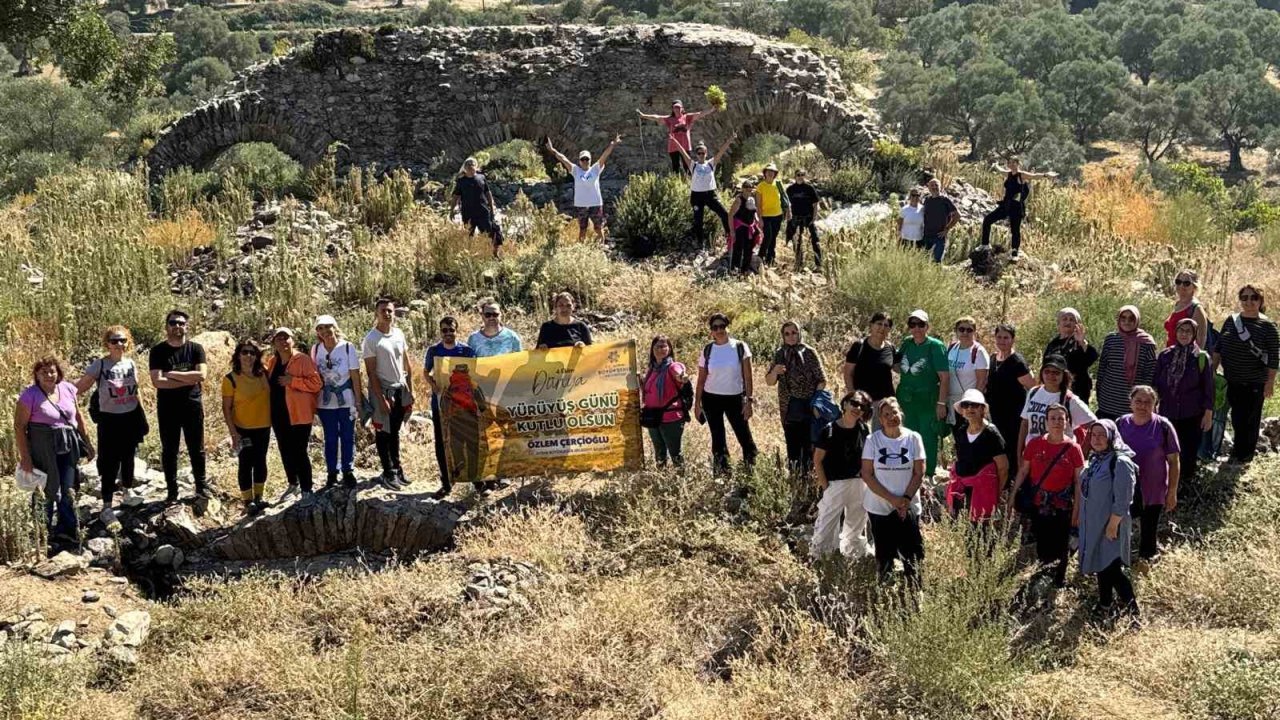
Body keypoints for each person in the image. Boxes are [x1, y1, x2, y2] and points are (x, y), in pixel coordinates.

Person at [14, 357, 93, 548]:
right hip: (43, 444)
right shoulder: (29, 395)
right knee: (46, 488)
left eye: (52, 371)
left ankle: (68, 529)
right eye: (44, 372)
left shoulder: (67, 388)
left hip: (68, 443)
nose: (49, 375)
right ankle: (42, 532)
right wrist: (25, 458)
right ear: (37, 375)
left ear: (58, 372)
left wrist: (88, 443)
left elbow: (78, 417)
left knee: (68, 486)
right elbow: (19, 427)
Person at [75, 326, 146, 524]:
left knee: (129, 456)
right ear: (107, 343)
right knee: (109, 461)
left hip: (130, 417)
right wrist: (56, 392)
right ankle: (107, 505)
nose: (119, 344)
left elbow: (136, 390)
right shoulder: (100, 365)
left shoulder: (131, 363)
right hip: (109, 420)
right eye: (114, 341)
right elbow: (81, 386)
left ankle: (127, 492)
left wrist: (142, 413)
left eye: (122, 340)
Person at [1010, 404, 1085, 588]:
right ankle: (1043, 574)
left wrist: (1077, 509)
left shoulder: (1074, 448)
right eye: (1053, 418)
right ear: (1046, 422)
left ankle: (1059, 579)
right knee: (1042, 541)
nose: (1057, 422)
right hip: (1039, 503)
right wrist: (1012, 495)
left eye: (1061, 418)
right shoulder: (1035, 444)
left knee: (1061, 542)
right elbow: (1024, 471)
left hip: (1063, 504)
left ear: (1067, 422)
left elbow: (1079, 482)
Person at [1078, 420, 1140, 619]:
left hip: (1111, 524)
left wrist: (1113, 525)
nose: (1096, 439)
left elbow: (1123, 498)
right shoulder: (1096, 458)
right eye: (1094, 435)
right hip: (1094, 522)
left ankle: (1133, 611)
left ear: (1112, 436)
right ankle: (1105, 605)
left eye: (1102, 435)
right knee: (1101, 565)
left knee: (1112, 568)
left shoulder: (1120, 462)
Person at [861, 397, 927, 585]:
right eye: (886, 415)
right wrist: (893, 499)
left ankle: (914, 590)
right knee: (884, 551)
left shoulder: (913, 438)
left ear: (901, 414)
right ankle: (885, 590)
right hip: (879, 506)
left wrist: (904, 499)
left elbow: (919, 471)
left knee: (912, 552)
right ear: (880, 420)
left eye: (894, 412)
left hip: (908, 505)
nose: (891, 417)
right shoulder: (872, 440)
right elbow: (867, 474)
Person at [1214, 283, 1279, 464]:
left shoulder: (1268, 326)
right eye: (1244, 298)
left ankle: (1245, 456)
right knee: (1236, 417)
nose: (1249, 301)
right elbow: (1218, 347)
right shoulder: (1231, 321)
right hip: (1232, 379)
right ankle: (1237, 451)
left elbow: (1274, 357)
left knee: (1251, 419)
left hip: (1255, 382)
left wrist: (1269, 383)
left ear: (1260, 300)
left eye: (1253, 298)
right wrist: (1211, 371)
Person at [148, 309, 208, 502]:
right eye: (173, 323)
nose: (177, 326)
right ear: (167, 327)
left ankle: (201, 487)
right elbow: (157, 382)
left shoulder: (196, 349)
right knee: (170, 449)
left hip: (192, 405)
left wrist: (172, 374)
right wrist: (187, 379)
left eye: (181, 323)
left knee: (196, 447)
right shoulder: (158, 351)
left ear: (186, 326)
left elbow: (201, 376)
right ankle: (172, 491)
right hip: (168, 408)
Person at [1116, 385, 1179, 569]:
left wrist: (1172, 491)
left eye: (1148, 402)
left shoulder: (1163, 426)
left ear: (1155, 404)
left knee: (1149, 528)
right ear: (1131, 402)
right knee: (1120, 525)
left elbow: (1174, 461)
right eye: (1138, 401)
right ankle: (1119, 562)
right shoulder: (1121, 423)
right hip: (1125, 487)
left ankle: (1146, 562)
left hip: (1154, 488)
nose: (1142, 406)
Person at [811, 390, 874, 559]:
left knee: (857, 520)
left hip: (859, 482)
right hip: (836, 483)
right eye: (854, 403)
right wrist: (826, 486)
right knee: (827, 520)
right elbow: (817, 460)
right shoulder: (829, 430)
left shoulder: (863, 429)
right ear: (845, 404)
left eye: (862, 406)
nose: (857, 408)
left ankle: (853, 554)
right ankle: (820, 556)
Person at [693, 313, 758, 475]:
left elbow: (748, 378)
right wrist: (697, 405)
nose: (719, 330)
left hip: (735, 398)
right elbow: (701, 380)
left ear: (727, 327)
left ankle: (751, 473)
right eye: (715, 327)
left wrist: (749, 401)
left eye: (722, 326)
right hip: (711, 399)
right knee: (718, 437)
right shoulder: (708, 350)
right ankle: (722, 473)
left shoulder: (740, 347)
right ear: (711, 332)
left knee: (744, 436)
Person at [265, 327, 322, 504]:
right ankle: (293, 483)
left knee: (299, 451)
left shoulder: (303, 359)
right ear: (274, 343)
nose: (283, 341)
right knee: (285, 450)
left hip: (299, 414)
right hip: (278, 414)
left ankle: (306, 488)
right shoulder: (273, 362)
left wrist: (293, 381)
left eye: (286, 338)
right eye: (279, 338)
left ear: (293, 340)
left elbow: (316, 383)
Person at [1153, 318, 1214, 485]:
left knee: (1188, 451)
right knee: (1166, 449)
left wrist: (1208, 413)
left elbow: (1209, 388)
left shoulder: (1201, 358)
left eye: (1188, 331)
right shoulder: (1165, 355)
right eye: (1181, 330)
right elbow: (1155, 384)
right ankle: (1165, 484)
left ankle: (1185, 485)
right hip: (1167, 412)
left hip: (1192, 413)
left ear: (1194, 334)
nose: (1184, 334)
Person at [363, 297, 415, 489]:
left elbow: (406, 363)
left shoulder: (399, 334)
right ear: (376, 313)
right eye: (383, 310)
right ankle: (388, 472)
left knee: (394, 432)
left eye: (390, 311)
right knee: (383, 432)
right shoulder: (371, 339)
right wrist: (380, 398)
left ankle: (397, 469)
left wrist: (410, 388)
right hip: (382, 390)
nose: (387, 314)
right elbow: (371, 371)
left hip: (400, 388)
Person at [765, 321, 827, 477]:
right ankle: (795, 478)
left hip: (809, 404)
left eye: (794, 332)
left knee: (809, 443)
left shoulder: (809, 352)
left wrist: (815, 400)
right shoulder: (780, 353)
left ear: (800, 333)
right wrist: (775, 371)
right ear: (783, 336)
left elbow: (822, 379)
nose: (791, 336)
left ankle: (810, 477)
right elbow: (769, 382)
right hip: (790, 405)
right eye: (787, 333)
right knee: (792, 444)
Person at [425, 316, 477, 499]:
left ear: (457, 330)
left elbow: (475, 374)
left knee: (468, 441)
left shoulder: (467, 351)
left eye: (451, 330)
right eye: (444, 330)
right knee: (442, 443)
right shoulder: (433, 351)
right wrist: (433, 384)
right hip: (441, 405)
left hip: (464, 405)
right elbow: (426, 372)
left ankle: (476, 481)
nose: (448, 334)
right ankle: (446, 483)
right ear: (440, 332)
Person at [312, 315, 363, 489]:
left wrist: (358, 401)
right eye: (320, 328)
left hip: (346, 399)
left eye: (328, 327)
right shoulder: (316, 350)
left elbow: (355, 375)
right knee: (330, 438)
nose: (325, 331)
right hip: (325, 402)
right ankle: (332, 472)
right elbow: (314, 377)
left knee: (348, 436)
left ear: (335, 327)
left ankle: (348, 470)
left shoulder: (347, 348)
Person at [896, 309, 949, 477]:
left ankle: (928, 473)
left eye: (921, 324)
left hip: (928, 400)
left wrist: (941, 403)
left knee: (927, 436)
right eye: (913, 324)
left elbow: (944, 376)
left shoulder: (935, 346)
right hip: (906, 399)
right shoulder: (907, 343)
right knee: (907, 434)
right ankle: (908, 471)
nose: (916, 328)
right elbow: (896, 364)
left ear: (927, 326)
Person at [221, 340, 271, 514]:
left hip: (263, 426)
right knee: (245, 463)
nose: (248, 356)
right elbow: (226, 408)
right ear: (237, 355)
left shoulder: (263, 373)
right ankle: (247, 500)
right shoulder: (230, 379)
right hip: (243, 429)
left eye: (252, 352)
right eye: (244, 352)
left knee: (260, 461)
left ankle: (259, 497)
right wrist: (233, 433)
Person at [945, 389, 1008, 522]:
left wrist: (995, 494)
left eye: (974, 405)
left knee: (980, 532)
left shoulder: (991, 433)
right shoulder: (961, 432)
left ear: (982, 409)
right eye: (966, 405)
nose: (969, 408)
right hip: (962, 490)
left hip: (983, 493)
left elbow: (1003, 468)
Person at [545, 135, 621, 242]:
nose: (585, 161)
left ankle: (600, 248)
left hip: (595, 203)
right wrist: (553, 150)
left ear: (590, 160)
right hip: (581, 204)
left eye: (587, 159)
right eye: (583, 159)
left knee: (598, 228)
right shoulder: (575, 170)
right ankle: (582, 249)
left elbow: (604, 156)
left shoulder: (595, 169)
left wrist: (612, 145)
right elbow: (563, 159)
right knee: (582, 229)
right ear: (579, 161)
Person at [979, 156, 1056, 262]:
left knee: (1015, 230)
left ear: (1017, 164)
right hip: (1006, 205)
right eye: (1009, 163)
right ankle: (985, 244)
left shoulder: (1021, 175)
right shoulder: (1009, 174)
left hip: (1016, 207)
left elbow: (1034, 176)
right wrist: (996, 165)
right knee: (987, 220)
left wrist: (1046, 175)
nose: (1011, 165)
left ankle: (1015, 253)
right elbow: (1001, 171)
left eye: (1013, 163)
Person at [1018, 355, 1095, 455]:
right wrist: (1019, 454)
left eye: (1056, 373)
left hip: (1059, 458)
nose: (1051, 376)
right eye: (1047, 371)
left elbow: (1094, 424)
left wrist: (1082, 452)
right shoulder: (1034, 392)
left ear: (1064, 375)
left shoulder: (1069, 400)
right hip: (1033, 455)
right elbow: (1025, 424)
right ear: (1042, 373)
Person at [986, 323, 1035, 470]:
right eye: (999, 337)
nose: (1002, 341)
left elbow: (1032, 387)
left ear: (1013, 340)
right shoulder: (993, 358)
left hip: (1013, 415)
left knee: (1012, 448)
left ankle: (1014, 483)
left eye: (1006, 337)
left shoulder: (1017, 362)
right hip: (996, 412)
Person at [1095, 305, 1158, 420]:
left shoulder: (1147, 343)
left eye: (1131, 318)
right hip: (1108, 399)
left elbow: (1149, 373)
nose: (1126, 321)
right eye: (1123, 318)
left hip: (1131, 402)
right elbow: (1102, 368)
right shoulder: (1111, 339)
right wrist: (1099, 391)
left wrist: (1142, 398)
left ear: (1137, 320)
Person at [640, 335, 690, 469]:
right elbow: (648, 391)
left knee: (675, 453)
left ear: (669, 349)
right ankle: (661, 480)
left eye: (664, 346)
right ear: (652, 349)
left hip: (671, 417)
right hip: (653, 417)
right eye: (657, 346)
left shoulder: (673, 366)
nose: (660, 349)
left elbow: (679, 374)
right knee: (659, 453)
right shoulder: (652, 369)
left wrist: (682, 377)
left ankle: (682, 483)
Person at [676, 135, 734, 248]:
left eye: (703, 153)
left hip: (710, 194)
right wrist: (675, 141)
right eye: (699, 153)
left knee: (724, 214)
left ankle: (729, 238)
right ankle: (700, 243)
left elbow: (721, 152)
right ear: (696, 155)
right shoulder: (693, 165)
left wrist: (730, 140)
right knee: (698, 220)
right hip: (697, 196)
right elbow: (683, 153)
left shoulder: (710, 164)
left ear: (706, 154)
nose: (701, 155)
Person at [635, 100, 716, 173]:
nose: (677, 109)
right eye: (675, 108)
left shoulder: (687, 117)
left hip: (685, 146)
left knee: (687, 166)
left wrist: (712, 109)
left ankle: (690, 183)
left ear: (682, 108)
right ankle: (676, 184)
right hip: (673, 147)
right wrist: (643, 115)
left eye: (678, 107)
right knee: (675, 167)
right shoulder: (669, 119)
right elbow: (657, 117)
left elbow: (700, 114)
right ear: (672, 109)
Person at [450, 157, 503, 257]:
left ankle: (494, 255)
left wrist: (492, 208)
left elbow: (488, 193)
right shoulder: (461, 181)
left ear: (476, 167)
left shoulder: (481, 178)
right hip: (468, 213)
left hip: (483, 212)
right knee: (468, 236)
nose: (470, 166)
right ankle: (469, 256)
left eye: (472, 164)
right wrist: (451, 210)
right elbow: (456, 197)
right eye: (468, 165)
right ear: (465, 168)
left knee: (490, 233)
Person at [1044, 307, 1098, 403]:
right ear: (1058, 323)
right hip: (1055, 387)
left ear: (1077, 325)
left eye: (1072, 319)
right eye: (1064, 319)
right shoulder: (1053, 343)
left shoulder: (1079, 341)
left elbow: (1091, 358)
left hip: (1077, 390)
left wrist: (1081, 341)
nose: (1068, 322)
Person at [843, 312, 897, 405]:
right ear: (871, 325)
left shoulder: (890, 348)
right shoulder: (859, 346)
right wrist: (853, 396)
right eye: (879, 324)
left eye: (886, 325)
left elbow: (899, 368)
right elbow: (848, 374)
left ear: (889, 329)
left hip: (885, 404)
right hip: (863, 403)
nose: (882, 328)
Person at [944, 316, 989, 426]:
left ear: (974, 332)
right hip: (952, 402)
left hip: (968, 406)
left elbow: (982, 381)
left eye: (969, 330)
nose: (965, 332)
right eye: (961, 329)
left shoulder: (978, 352)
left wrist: (973, 405)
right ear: (956, 331)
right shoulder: (952, 348)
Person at [784, 169, 822, 270]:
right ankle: (798, 263)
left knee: (815, 239)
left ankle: (819, 265)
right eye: (798, 175)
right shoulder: (790, 189)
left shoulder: (809, 188)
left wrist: (814, 218)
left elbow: (815, 204)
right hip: (795, 217)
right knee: (793, 239)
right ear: (795, 176)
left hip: (808, 217)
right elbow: (787, 205)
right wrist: (788, 216)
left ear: (805, 176)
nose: (800, 176)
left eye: (802, 175)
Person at [755, 163, 791, 266]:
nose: (770, 173)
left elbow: (785, 198)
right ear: (765, 173)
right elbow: (758, 204)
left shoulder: (778, 184)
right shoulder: (760, 186)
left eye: (772, 172)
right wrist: (760, 219)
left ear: (775, 174)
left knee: (773, 237)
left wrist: (789, 211)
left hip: (778, 215)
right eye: (768, 171)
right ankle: (761, 256)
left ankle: (770, 258)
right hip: (766, 216)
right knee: (768, 236)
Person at [1165, 269, 1209, 348]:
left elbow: (1201, 340)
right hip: (1170, 355)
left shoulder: (1196, 308)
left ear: (1194, 287)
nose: (1181, 286)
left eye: (1186, 283)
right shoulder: (1177, 304)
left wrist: (1194, 358)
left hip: (1186, 356)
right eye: (1178, 282)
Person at [919, 177, 959, 263]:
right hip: (926, 235)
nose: (934, 187)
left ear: (940, 187)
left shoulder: (945, 200)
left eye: (936, 185)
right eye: (932, 185)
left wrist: (947, 229)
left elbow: (958, 215)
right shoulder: (927, 200)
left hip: (939, 237)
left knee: (936, 262)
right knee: (922, 260)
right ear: (928, 188)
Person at [727, 179, 762, 274]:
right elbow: (730, 215)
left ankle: (745, 270)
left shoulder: (751, 199)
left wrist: (757, 220)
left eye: (750, 189)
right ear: (742, 189)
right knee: (738, 248)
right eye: (746, 188)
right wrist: (732, 231)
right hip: (740, 227)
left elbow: (753, 213)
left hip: (750, 227)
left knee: (749, 249)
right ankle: (734, 269)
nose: (748, 191)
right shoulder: (739, 200)